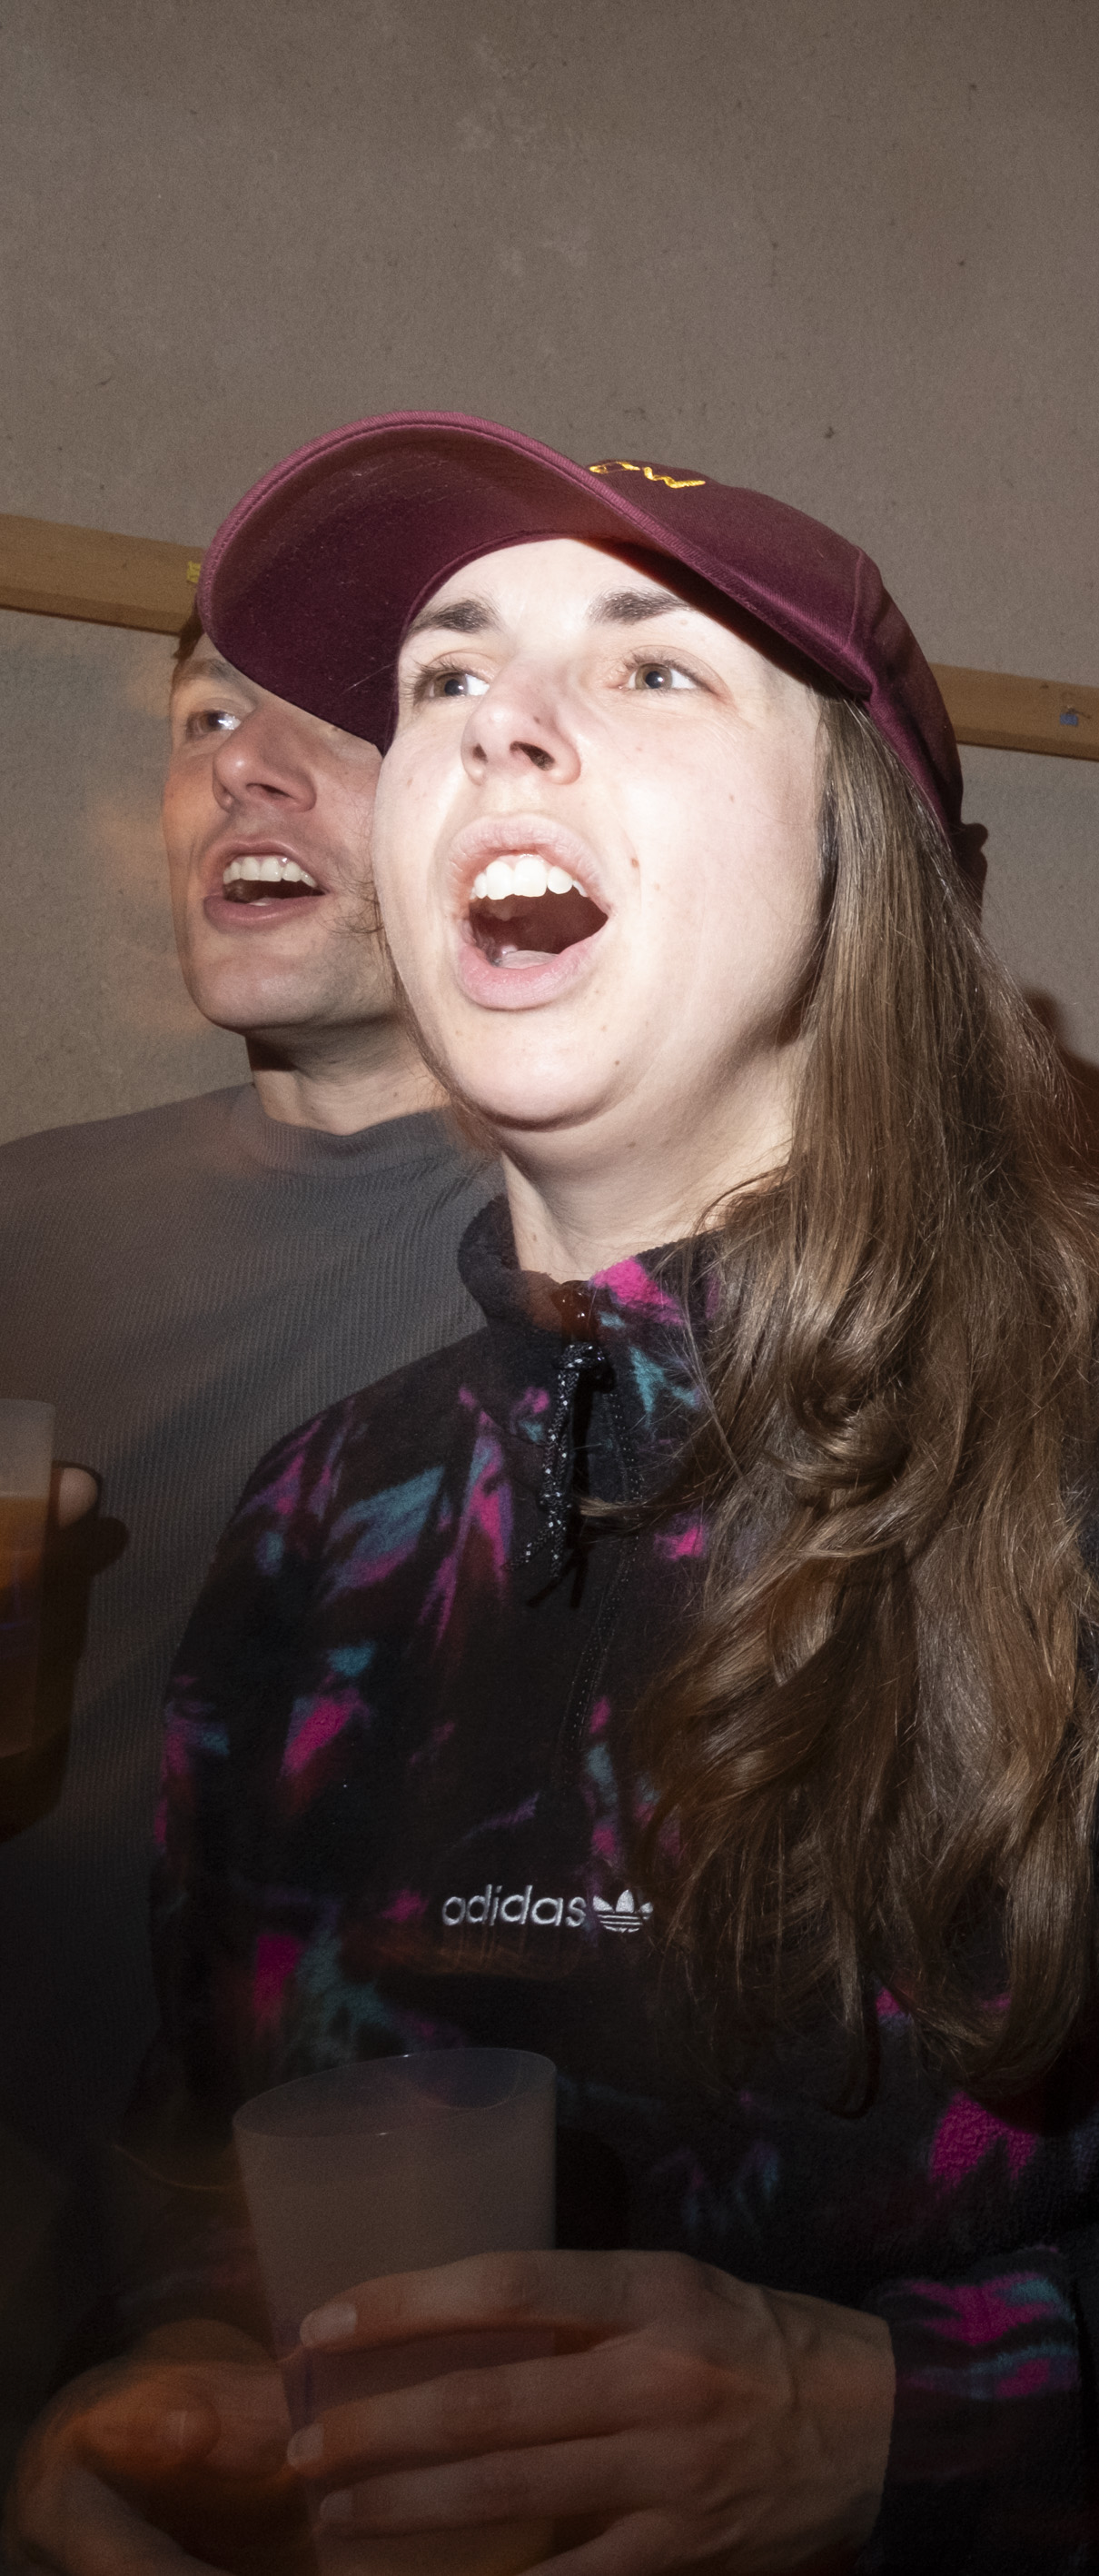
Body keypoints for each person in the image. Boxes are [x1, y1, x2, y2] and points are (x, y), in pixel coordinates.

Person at [5, 414, 1099, 2576]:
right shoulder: (328, 1515)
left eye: (650, 666)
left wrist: (896, 2419)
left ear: (866, 866)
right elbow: (201, 2158)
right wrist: (167, 2381)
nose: (494, 721)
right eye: (443, 676)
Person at [0, 623, 497, 2452]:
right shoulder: (27, 1219)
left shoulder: (626, 1251)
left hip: (391, 2298)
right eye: (208, 710)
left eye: (343, 714)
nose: (242, 763)